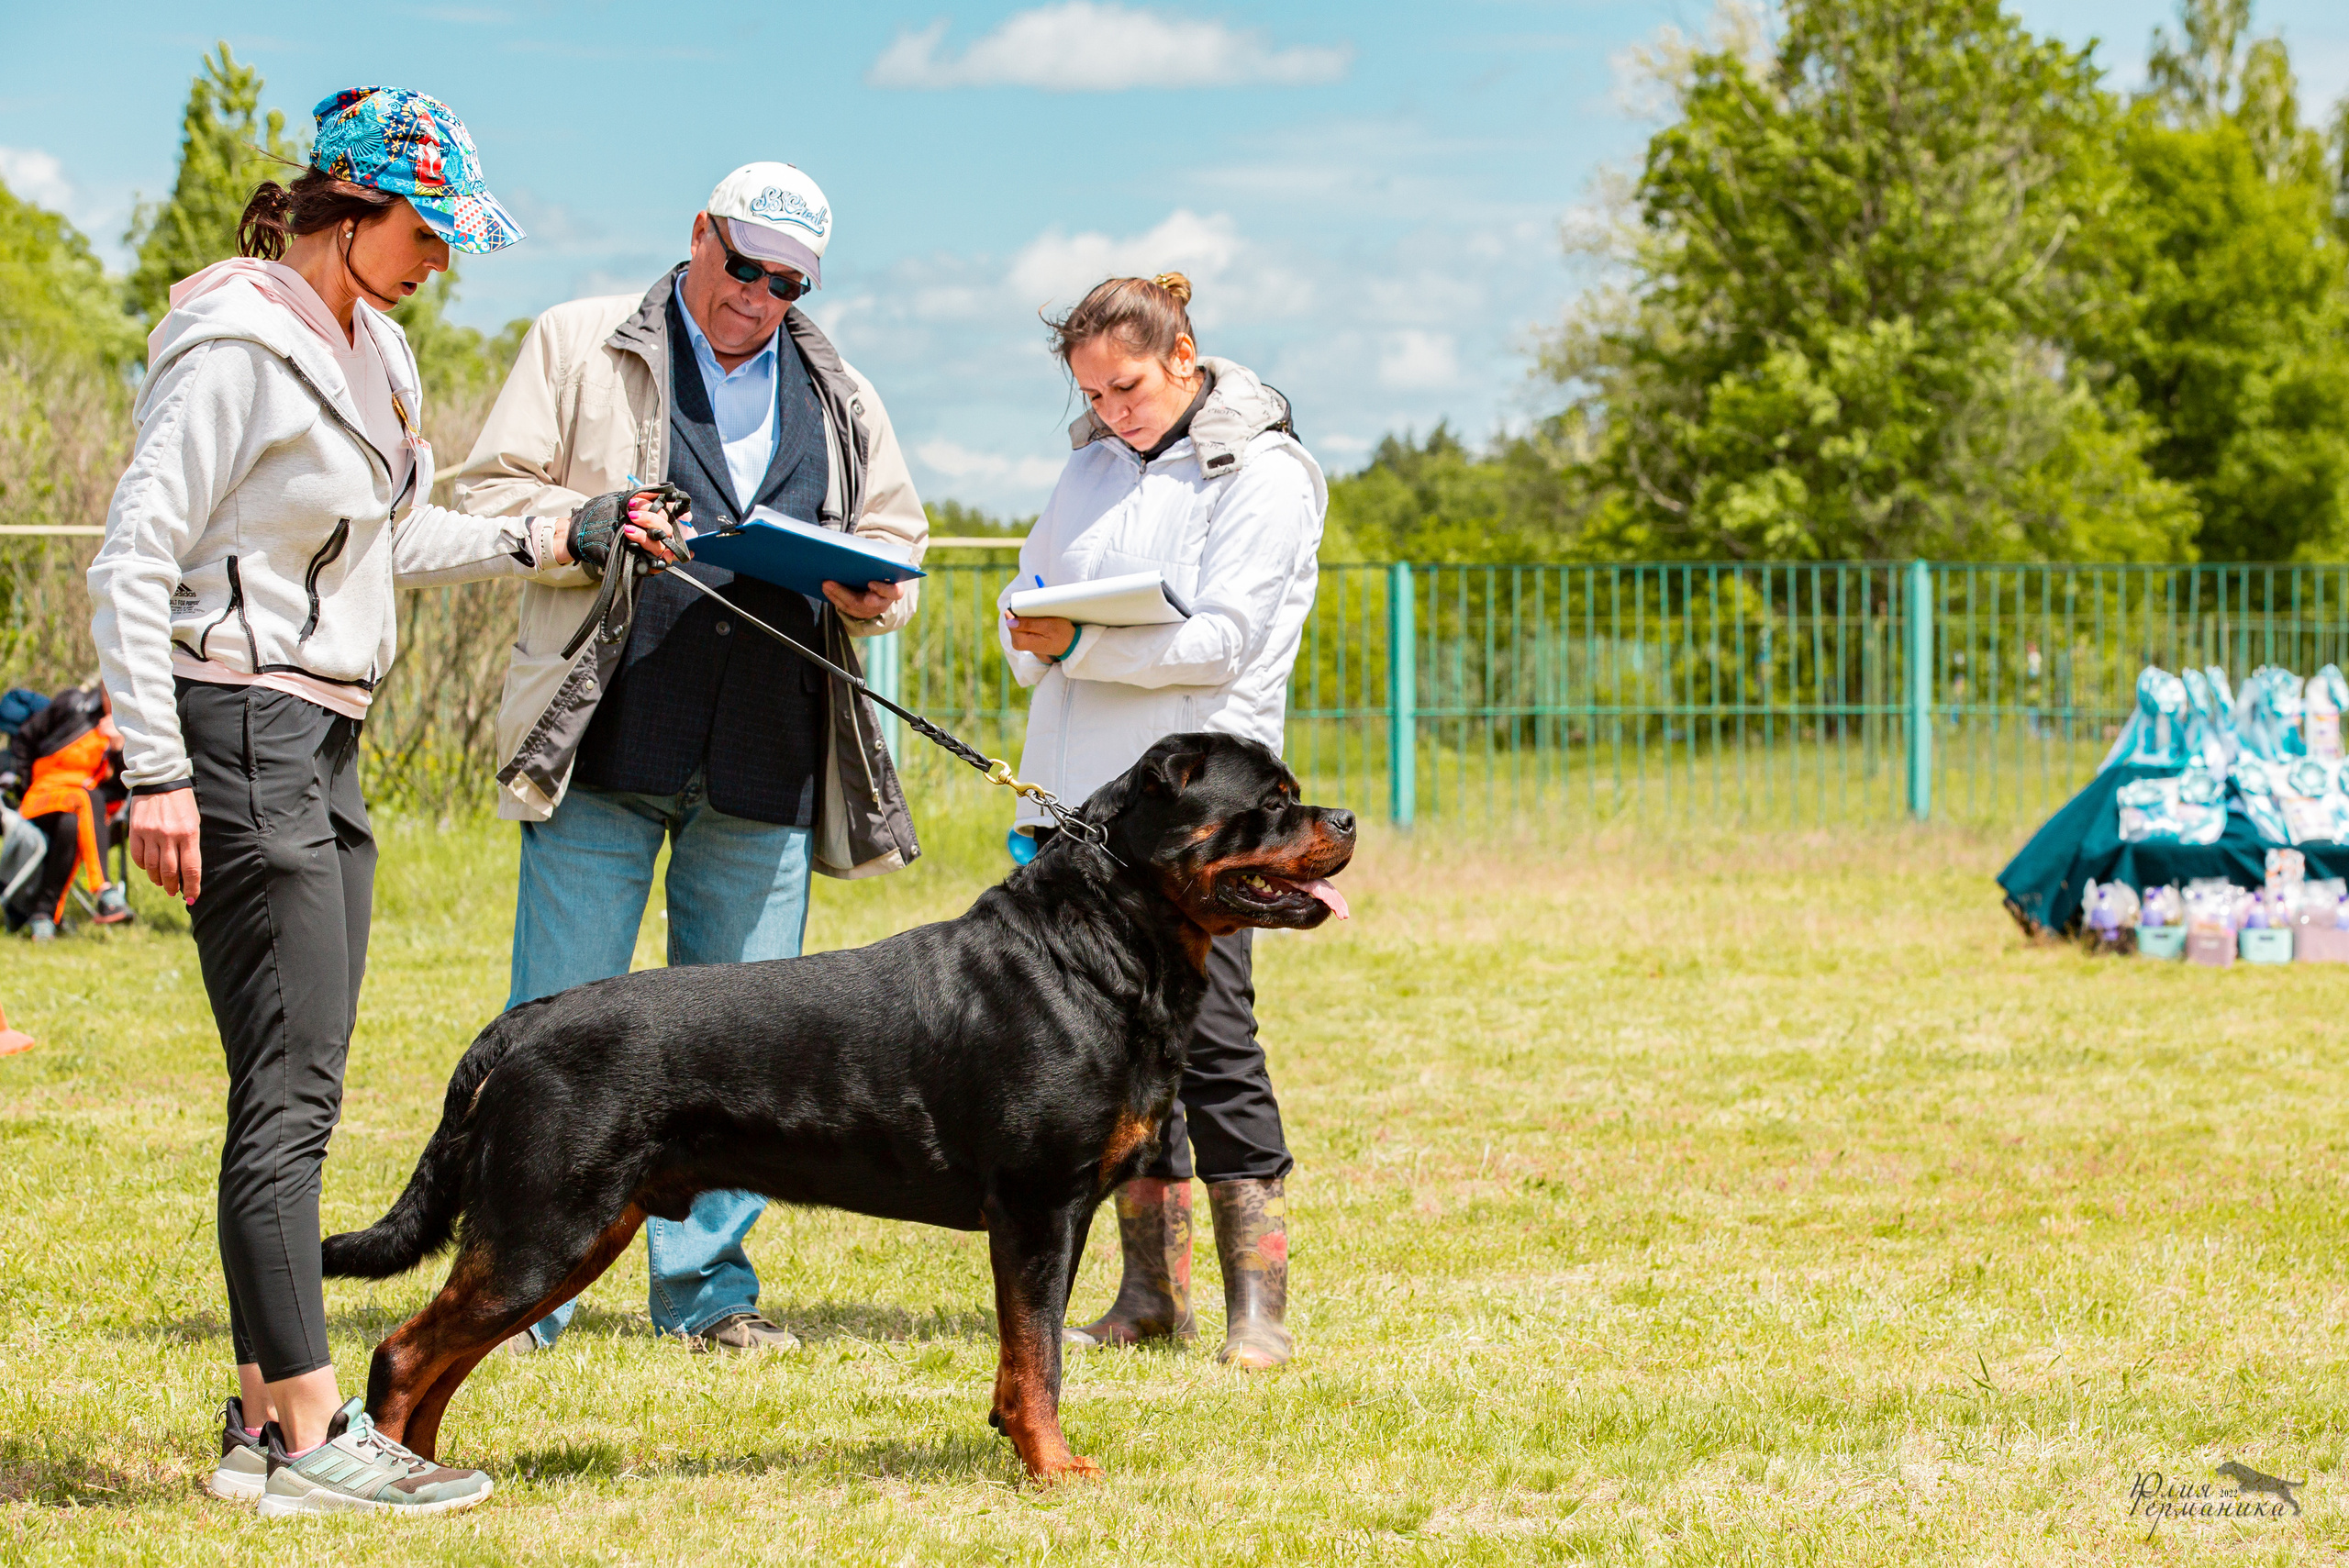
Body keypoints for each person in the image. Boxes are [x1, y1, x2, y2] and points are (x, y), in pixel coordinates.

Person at [87, 86, 680, 1518]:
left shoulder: (382, 350)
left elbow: (395, 532)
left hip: (330, 732)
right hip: (236, 722)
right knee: (287, 1102)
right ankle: (304, 1439)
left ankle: (260, 1426)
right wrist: (157, 766)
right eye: (423, 232)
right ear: (343, 215)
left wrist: (559, 527)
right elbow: (131, 557)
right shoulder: (235, 347)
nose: (439, 260)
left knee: (300, 1087)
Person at [451, 160, 927, 1355]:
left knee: (753, 1053)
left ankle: (709, 1294)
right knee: (557, 1029)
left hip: (769, 750)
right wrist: (593, 515)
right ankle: (521, 1293)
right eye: (746, 267)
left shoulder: (843, 388)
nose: (760, 298)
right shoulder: (575, 341)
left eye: (788, 283)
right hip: (606, 731)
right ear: (701, 234)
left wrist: (872, 590)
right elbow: (493, 494)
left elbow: (898, 543)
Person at [998, 272, 1326, 1368]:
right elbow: (1025, 600)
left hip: (1202, 820)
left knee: (1213, 1043)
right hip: (1081, 812)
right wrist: (1033, 633)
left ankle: (1256, 1306)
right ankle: (1147, 1294)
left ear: (1183, 354)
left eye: (1127, 386)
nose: (1111, 411)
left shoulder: (1265, 471)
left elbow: (1224, 638)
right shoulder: (1086, 467)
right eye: (1092, 395)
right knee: (1110, 1058)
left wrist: (1080, 645)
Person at [5, 683, 132, 939]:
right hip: (40, 799)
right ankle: (103, 889)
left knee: (72, 823)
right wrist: (23, 786)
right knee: (85, 796)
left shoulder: (126, 730)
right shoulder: (73, 704)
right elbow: (26, 738)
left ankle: (44, 916)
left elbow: (122, 791)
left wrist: (119, 751)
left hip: (82, 813)